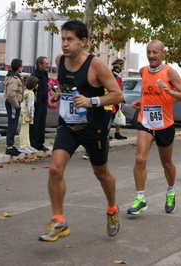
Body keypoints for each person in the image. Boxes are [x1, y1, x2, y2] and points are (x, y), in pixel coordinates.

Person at [38, 20, 123, 242]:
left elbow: (117, 95)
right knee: (55, 169)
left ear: (83, 42)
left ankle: (112, 209)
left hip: (93, 127)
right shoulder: (60, 61)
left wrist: (90, 100)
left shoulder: (96, 65)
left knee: (101, 173)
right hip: (68, 125)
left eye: (69, 40)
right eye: (62, 39)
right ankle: (59, 221)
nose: (64, 44)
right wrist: (60, 93)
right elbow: (69, 86)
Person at [126, 40, 181, 215]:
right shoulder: (143, 71)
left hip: (164, 124)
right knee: (140, 159)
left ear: (163, 53)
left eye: (155, 52)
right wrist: (142, 101)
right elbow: (146, 91)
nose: (151, 55)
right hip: (145, 122)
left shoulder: (170, 72)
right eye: (149, 52)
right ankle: (140, 198)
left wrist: (168, 91)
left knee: (167, 163)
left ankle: (170, 190)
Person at [4, 59, 24, 156]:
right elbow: (11, 94)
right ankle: (9, 146)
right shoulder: (13, 79)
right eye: (22, 66)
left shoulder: (16, 77)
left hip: (14, 103)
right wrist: (16, 105)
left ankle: (11, 145)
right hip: (13, 104)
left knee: (14, 124)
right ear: (19, 67)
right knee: (12, 124)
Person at [30, 56, 51, 152]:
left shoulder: (45, 73)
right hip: (36, 103)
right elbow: (32, 90)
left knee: (42, 124)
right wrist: (33, 104)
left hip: (44, 102)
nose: (48, 65)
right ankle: (33, 143)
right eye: (46, 63)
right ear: (40, 65)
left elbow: (44, 86)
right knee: (35, 124)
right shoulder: (34, 75)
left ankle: (40, 143)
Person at [18, 76, 38, 155]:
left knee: (26, 129)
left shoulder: (26, 91)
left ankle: (27, 144)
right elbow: (30, 104)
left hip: (23, 112)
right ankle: (23, 146)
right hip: (26, 113)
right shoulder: (31, 93)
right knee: (24, 130)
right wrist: (31, 114)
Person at [110, 58, 127, 140]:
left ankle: (117, 133)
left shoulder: (118, 75)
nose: (122, 67)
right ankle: (107, 132)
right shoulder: (112, 75)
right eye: (121, 66)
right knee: (111, 116)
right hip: (113, 98)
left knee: (119, 114)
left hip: (118, 98)